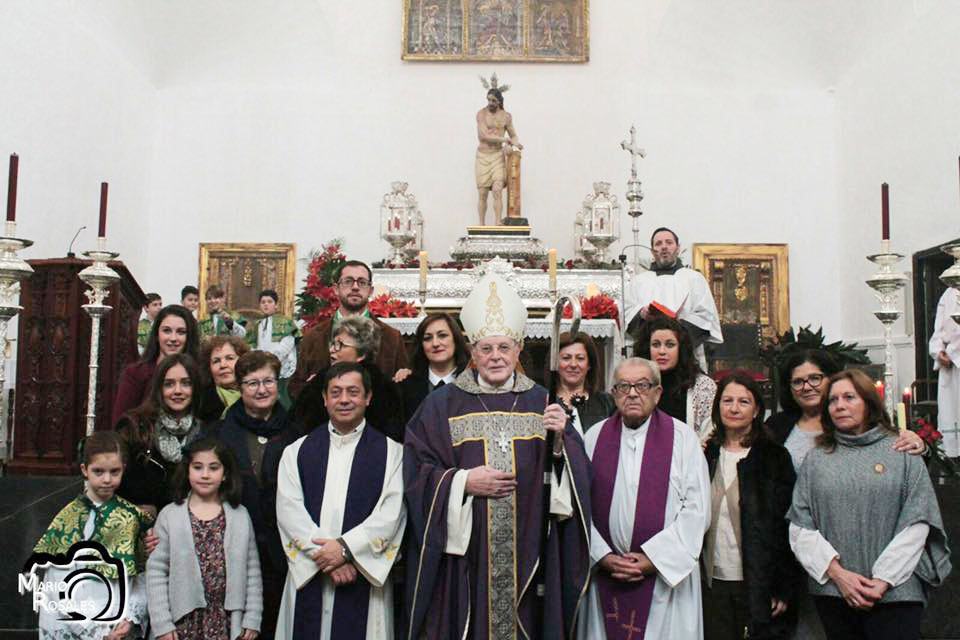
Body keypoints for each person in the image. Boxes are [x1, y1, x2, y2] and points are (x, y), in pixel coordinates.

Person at [405, 273, 591, 640]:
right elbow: (417, 470)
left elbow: (576, 478)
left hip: (530, 548)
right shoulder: (441, 405)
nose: (495, 357)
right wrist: (462, 482)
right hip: (465, 558)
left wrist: (562, 442)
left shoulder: (543, 402)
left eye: (504, 348)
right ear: (472, 352)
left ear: (519, 350)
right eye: (486, 349)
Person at [787, 369, 952, 640]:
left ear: (868, 402)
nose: (839, 405)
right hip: (835, 593)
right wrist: (840, 576)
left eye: (849, 397)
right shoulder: (816, 460)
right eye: (832, 400)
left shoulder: (902, 451)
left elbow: (918, 521)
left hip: (897, 591)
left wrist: (883, 580)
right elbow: (800, 526)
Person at [580, 357, 710, 639]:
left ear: (657, 392)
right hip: (607, 577)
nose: (633, 393)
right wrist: (602, 556)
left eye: (642, 385)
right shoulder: (594, 438)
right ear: (613, 393)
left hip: (665, 583)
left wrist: (654, 559)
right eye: (624, 386)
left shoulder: (683, 439)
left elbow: (697, 511)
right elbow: (580, 508)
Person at [275, 361, 406, 639]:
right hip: (311, 574)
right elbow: (289, 512)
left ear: (368, 397)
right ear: (324, 399)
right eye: (335, 392)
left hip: (363, 577)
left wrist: (346, 550)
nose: (344, 399)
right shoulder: (296, 452)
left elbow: (391, 515)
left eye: (353, 391)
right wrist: (328, 557)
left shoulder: (393, 454)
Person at [207, 350, 299, 639]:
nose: (261, 390)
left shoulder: (296, 433)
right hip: (233, 549)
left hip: (282, 551)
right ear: (239, 387)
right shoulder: (219, 433)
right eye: (252, 383)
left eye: (268, 381)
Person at [702, 372, 798, 640]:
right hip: (710, 583)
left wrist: (782, 585)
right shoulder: (705, 454)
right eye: (727, 400)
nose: (734, 408)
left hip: (758, 584)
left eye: (743, 402)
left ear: (756, 409)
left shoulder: (774, 457)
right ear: (717, 406)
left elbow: (787, 525)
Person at [32, 431, 153, 640]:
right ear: (84, 470)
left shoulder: (133, 518)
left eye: (114, 472)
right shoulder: (69, 519)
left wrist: (129, 620)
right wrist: (94, 632)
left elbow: (141, 577)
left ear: (124, 469)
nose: (107, 479)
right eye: (98, 471)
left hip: (119, 624)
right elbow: (59, 582)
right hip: (76, 625)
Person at [147, 437, 262, 640]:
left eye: (214, 468)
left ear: (225, 473)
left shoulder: (240, 515)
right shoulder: (170, 515)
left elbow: (252, 570)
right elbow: (156, 572)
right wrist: (162, 624)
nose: (205, 475)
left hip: (226, 622)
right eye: (198, 467)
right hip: (182, 622)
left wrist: (252, 617)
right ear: (188, 471)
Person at [290, 260, 408, 398]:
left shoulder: (391, 336)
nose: (355, 287)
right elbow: (295, 385)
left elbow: (403, 385)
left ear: (371, 291)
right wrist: (312, 389)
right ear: (336, 289)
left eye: (362, 282)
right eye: (348, 281)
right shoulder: (313, 336)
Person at [116, 353, 204, 518]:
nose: (177, 391)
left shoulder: (205, 433)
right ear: (159, 389)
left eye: (186, 384)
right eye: (169, 384)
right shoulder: (134, 428)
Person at [291, 315, 404, 442]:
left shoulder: (383, 389)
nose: (332, 350)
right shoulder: (320, 380)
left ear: (361, 354)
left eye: (340, 344)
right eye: (333, 343)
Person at [624, 227, 723, 369]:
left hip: (686, 355)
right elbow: (626, 314)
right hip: (647, 356)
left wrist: (678, 332)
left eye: (669, 242)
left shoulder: (694, 279)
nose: (664, 247)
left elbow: (706, 316)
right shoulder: (638, 281)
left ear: (677, 248)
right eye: (658, 244)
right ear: (652, 251)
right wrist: (641, 314)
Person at [112, 304, 200, 426]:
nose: (173, 338)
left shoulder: (199, 374)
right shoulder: (136, 374)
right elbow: (121, 423)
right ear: (157, 335)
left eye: (181, 332)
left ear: (189, 336)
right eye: (167, 331)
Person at [634, 314, 716, 439]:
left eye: (670, 344)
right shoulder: (634, 385)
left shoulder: (702, 387)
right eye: (656, 344)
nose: (662, 351)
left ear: (681, 349)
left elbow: (710, 434)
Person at [397, 312, 471, 427]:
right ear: (421, 346)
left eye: (442, 335)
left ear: (455, 339)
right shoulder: (405, 386)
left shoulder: (472, 382)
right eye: (427, 338)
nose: (435, 343)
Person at [548, 331, 615, 435]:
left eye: (580, 358)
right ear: (555, 363)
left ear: (589, 365)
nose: (573, 364)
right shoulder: (544, 401)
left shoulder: (607, 403)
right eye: (566, 358)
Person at [476, 84, 521, 225]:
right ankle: (481, 225)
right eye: (488, 100)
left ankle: (497, 222)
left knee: (497, 189)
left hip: (497, 156)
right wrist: (504, 140)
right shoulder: (481, 114)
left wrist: (512, 144)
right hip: (483, 156)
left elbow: (513, 136)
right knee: (483, 193)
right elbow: (484, 135)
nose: (490, 103)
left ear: (499, 101)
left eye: (493, 101)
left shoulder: (506, 117)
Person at [248, 288, 299, 408]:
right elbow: (253, 345)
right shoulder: (257, 324)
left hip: (280, 363)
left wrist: (273, 358)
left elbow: (287, 343)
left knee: (281, 394)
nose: (266, 304)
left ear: (276, 305)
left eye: (269, 302)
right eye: (263, 302)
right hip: (262, 364)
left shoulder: (285, 321)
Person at [929, 287, 960, 456]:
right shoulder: (949, 292)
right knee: (951, 416)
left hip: (955, 357)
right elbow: (938, 330)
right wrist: (938, 351)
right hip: (950, 368)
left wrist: (952, 352)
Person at [197, 335, 252, 422]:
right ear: (209, 368)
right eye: (216, 361)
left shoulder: (260, 396)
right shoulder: (201, 405)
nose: (223, 365)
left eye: (230, 358)